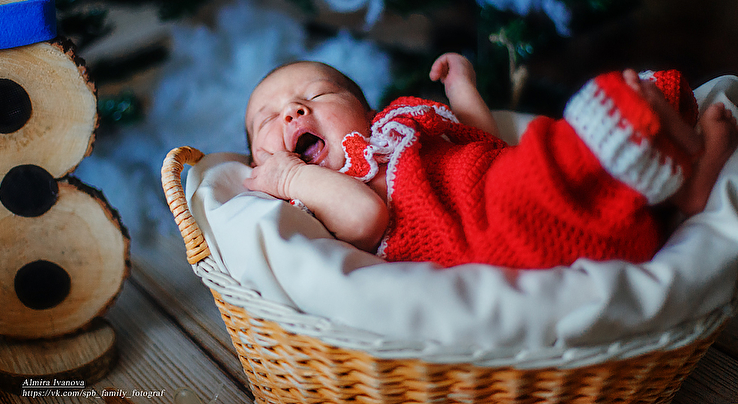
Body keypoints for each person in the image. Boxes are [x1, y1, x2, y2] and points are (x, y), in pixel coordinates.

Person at [243, 53, 738, 269]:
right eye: (268, 118)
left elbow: (478, 140)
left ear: (367, 112)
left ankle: (678, 183)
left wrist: (462, 89)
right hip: (498, 222)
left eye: (318, 94)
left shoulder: (394, 131)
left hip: (508, 175)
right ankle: (687, 175)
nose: (294, 110)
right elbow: (365, 216)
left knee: (630, 99)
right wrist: (291, 177)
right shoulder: (318, 196)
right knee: (604, 115)